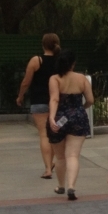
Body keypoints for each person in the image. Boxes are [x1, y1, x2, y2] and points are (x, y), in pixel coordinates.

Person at [48, 49, 94, 200]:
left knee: (60, 157)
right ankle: (72, 186)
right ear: (73, 64)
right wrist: (82, 108)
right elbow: (90, 100)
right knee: (73, 155)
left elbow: (54, 99)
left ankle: (61, 185)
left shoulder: (55, 79)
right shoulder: (82, 79)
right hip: (78, 117)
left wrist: (52, 118)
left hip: (60, 116)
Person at [16, 33, 60, 179]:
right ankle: (51, 162)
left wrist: (20, 96)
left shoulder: (37, 60)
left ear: (43, 45)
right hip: (57, 101)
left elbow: (26, 82)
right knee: (53, 134)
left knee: (43, 134)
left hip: (39, 101)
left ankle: (48, 168)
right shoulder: (61, 61)